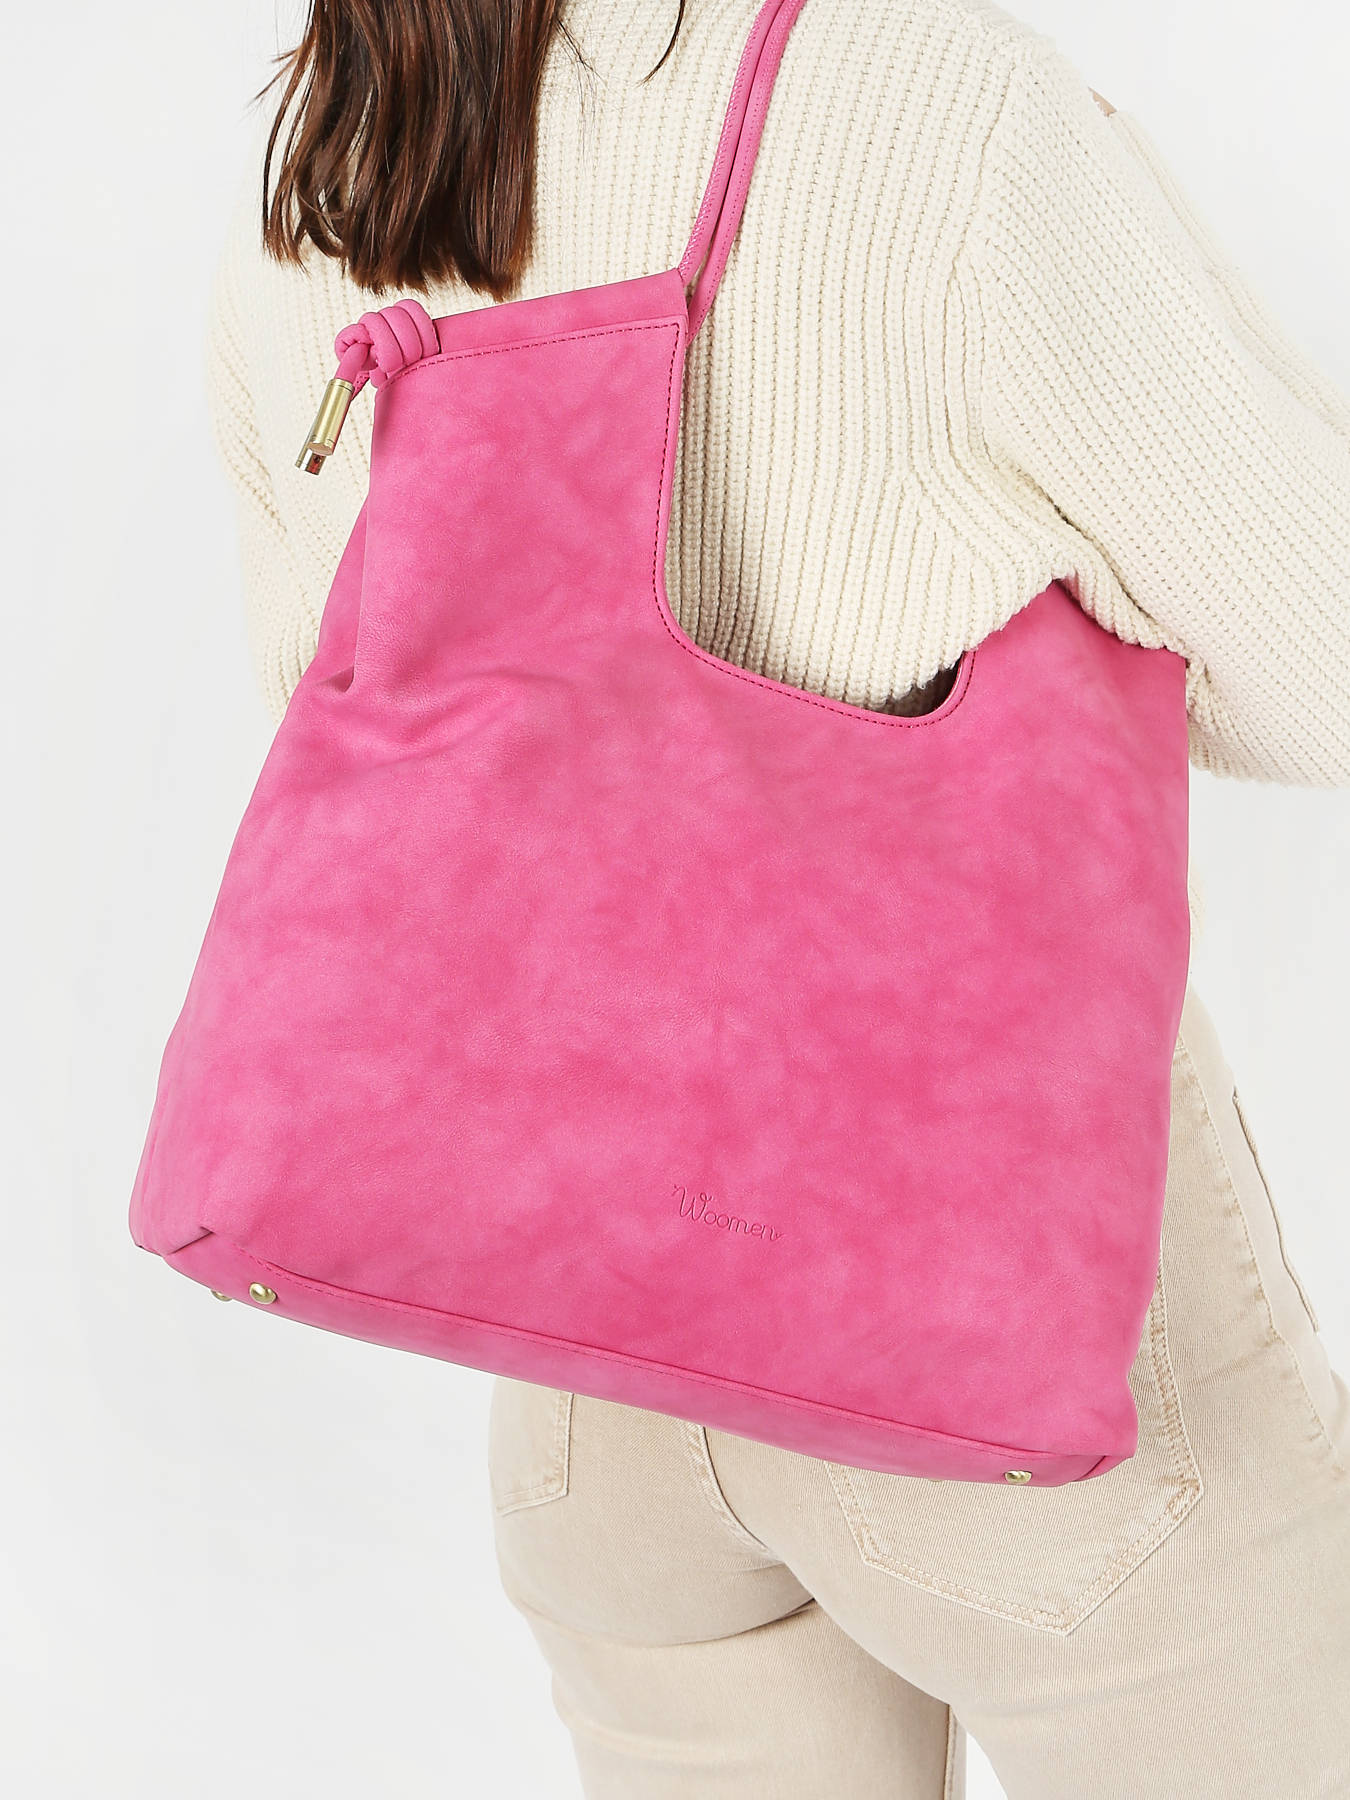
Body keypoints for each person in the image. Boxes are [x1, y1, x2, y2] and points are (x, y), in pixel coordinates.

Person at [204, 1, 1350, 1792]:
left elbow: (326, 686)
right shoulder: (935, 96)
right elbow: (1321, 655)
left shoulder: (354, 128)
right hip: (979, 1314)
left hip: (583, 1342)